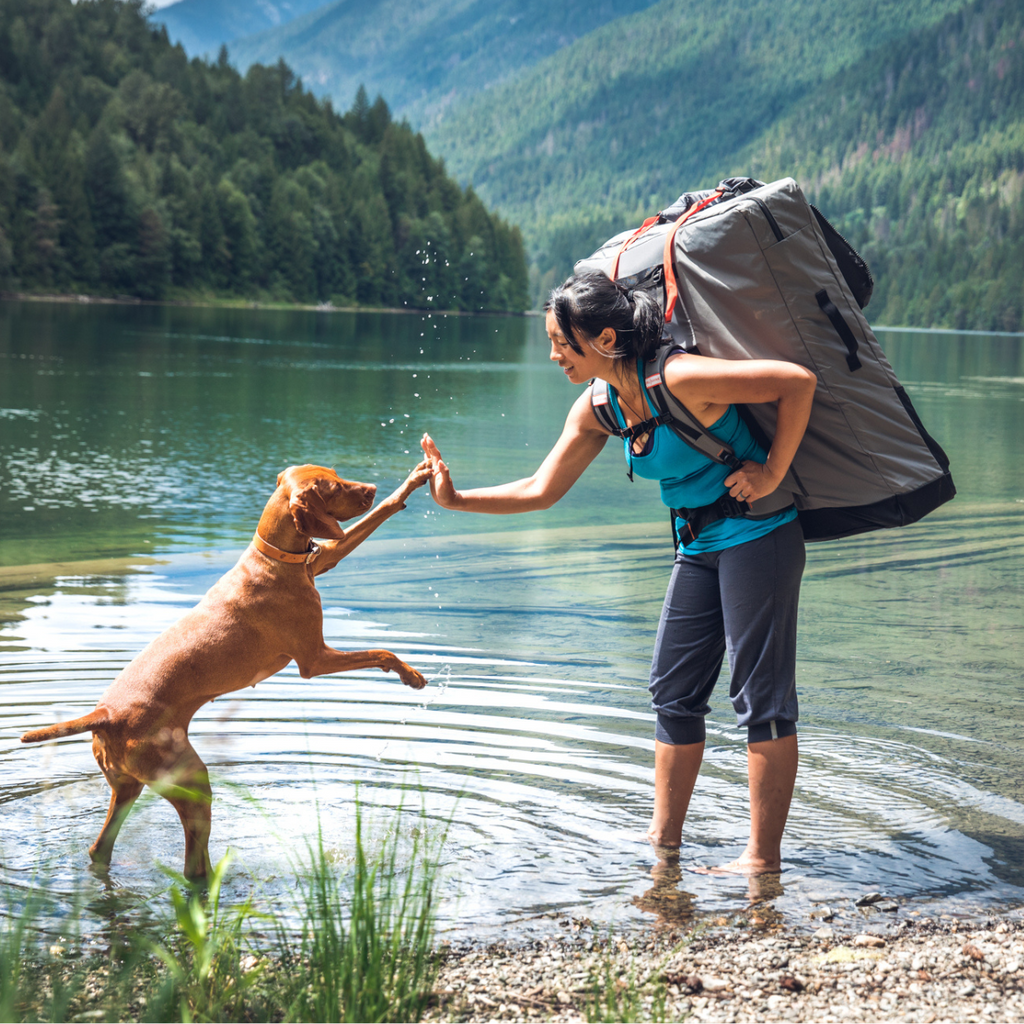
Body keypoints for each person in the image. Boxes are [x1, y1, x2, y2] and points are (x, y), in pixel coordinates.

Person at [420, 271, 817, 875]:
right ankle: (664, 844)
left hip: (760, 534)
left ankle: (761, 860)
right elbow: (540, 489)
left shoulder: (681, 378)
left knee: (759, 700)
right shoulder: (600, 406)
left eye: (562, 341)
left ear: (605, 338)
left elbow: (797, 383)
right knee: (672, 691)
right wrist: (457, 499)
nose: (553, 354)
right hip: (698, 542)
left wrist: (770, 472)